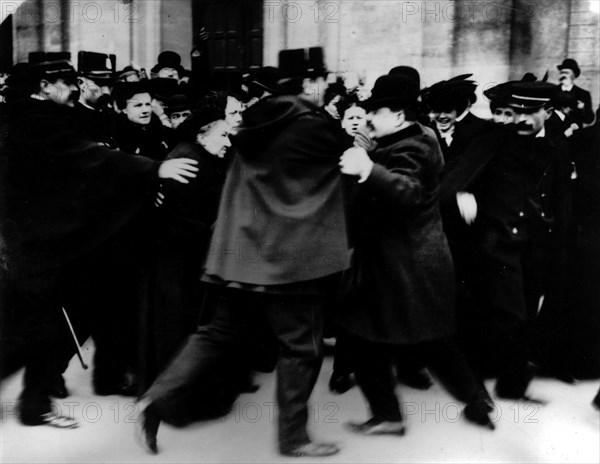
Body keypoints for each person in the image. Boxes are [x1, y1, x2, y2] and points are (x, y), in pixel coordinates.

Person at [136, 46, 350, 458]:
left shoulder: (255, 120)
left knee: (215, 333)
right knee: (301, 348)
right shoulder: (311, 124)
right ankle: (294, 438)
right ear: (309, 83)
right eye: (322, 81)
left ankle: (155, 398)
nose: (325, 89)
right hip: (289, 259)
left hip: (242, 254)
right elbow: (347, 157)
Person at [0, 54, 199, 428]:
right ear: (44, 87)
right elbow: (87, 155)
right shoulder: (32, 120)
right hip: (36, 240)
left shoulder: (46, 115)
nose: (75, 87)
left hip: (54, 238)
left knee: (44, 320)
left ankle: (37, 402)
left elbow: (93, 149)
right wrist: (153, 168)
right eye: (66, 82)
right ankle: (35, 403)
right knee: (32, 325)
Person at [337, 74, 494, 436]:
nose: (368, 117)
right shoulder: (408, 137)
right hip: (400, 262)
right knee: (398, 338)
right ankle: (469, 401)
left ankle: (462, 402)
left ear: (399, 114)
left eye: (376, 110)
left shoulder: (414, 146)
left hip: (404, 265)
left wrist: (367, 169)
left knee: (417, 339)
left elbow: (406, 192)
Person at [440, 81, 573, 400]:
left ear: (548, 112)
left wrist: (560, 241)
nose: (522, 120)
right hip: (498, 245)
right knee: (508, 317)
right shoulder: (493, 139)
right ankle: (481, 385)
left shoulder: (556, 144)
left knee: (524, 316)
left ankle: (510, 385)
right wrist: (461, 196)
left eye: (530, 113)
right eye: (517, 113)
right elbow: (450, 183)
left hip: (537, 246)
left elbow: (561, 197)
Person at [556, 58, 595, 126]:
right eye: (562, 73)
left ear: (574, 75)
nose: (563, 75)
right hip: (553, 134)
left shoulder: (583, 94)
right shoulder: (552, 91)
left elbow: (589, 120)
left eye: (567, 73)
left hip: (575, 134)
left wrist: (582, 109)